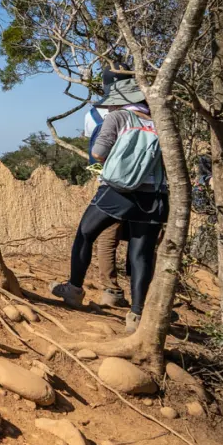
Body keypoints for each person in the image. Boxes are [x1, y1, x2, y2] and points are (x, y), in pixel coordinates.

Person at [51, 76, 169, 333]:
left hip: (118, 191)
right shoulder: (160, 122)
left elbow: (98, 152)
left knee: (85, 233)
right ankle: (137, 315)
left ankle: (73, 289)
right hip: (155, 195)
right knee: (141, 254)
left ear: (120, 102)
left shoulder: (119, 118)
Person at [83, 88, 129, 309]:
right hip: (150, 186)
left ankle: (111, 290)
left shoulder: (94, 115)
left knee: (105, 235)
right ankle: (145, 296)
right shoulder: (150, 114)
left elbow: (97, 152)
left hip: (113, 183)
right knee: (143, 243)